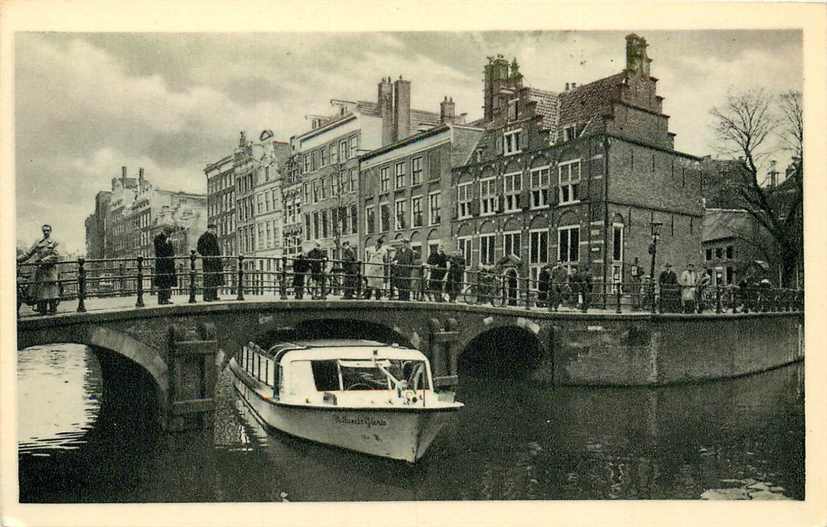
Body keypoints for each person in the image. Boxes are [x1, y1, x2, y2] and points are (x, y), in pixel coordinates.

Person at [17, 224, 61, 315]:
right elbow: (28, 254)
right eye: (44, 230)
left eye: (48, 230)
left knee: (52, 293)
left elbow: (55, 256)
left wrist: (42, 260)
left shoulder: (54, 242)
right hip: (40, 272)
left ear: (50, 231)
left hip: (51, 271)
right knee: (42, 294)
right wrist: (17, 259)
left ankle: (53, 312)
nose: (46, 232)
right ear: (42, 231)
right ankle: (42, 312)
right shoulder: (38, 242)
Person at [197, 224, 224, 301]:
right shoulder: (203, 237)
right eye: (212, 229)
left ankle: (214, 295)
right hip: (208, 261)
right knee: (208, 278)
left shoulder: (214, 237)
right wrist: (206, 256)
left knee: (215, 278)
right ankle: (207, 296)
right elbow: (200, 248)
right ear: (208, 229)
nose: (213, 230)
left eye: (214, 229)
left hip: (215, 260)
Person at [153, 226, 176, 305]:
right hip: (161, 264)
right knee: (162, 282)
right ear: (164, 232)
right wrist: (166, 243)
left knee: (167, 282)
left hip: (168, 264)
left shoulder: (168, 239)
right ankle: (161, 299)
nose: (168, 236)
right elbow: (159, 250)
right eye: (168, 234)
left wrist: (172, 257)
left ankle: (167, 298)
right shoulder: (158, 238)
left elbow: (171, 251)